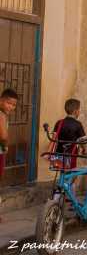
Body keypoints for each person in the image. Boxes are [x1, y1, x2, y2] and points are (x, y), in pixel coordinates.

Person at [52, 99, 86, 170]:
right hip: (71, 154)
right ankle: (69, 181)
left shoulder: (59, 122)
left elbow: (53, 138)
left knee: (63, 172)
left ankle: (64, 181)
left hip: (59, 154)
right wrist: (84, 149)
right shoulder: (78, 124)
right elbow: (82, 141)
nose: (79, 112)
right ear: (75, 111)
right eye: (79, 110)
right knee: (72, 173)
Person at [0, 88, 18, 222]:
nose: (11, 107)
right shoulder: (1, 115)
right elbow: (3, 135)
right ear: (1, 101)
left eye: (13, 105)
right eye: (9, 103)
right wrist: (6, 145)